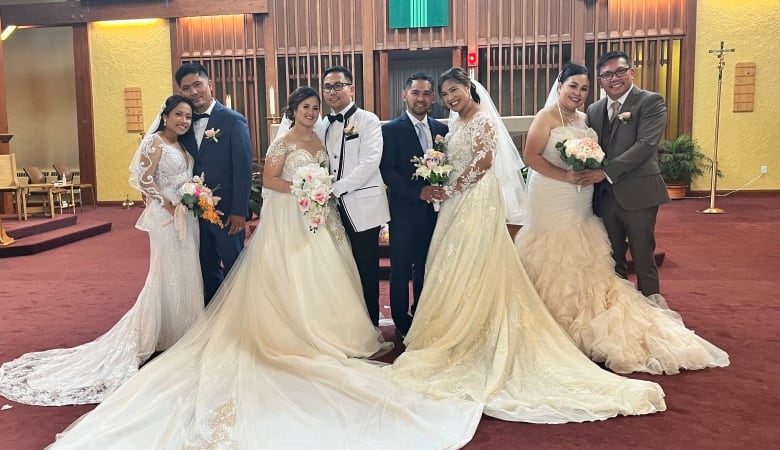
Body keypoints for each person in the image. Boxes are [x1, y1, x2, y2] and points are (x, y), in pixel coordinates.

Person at [44, 87, 483, 449]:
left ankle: (332, 330)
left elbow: (339, 171)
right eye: (305, 107)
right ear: (293, 110)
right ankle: (296, 330)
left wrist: (318, 188)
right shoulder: (285, 141)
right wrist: (305, 185)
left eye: (315, 107)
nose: (311, 112)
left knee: (330, 273)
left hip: (320, 216)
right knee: (290, 273)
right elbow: (269, 180)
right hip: (292, 215)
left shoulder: (324, 137)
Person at [388, 67, 667, 423]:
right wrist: (442, 180)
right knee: (450, 260)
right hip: (455, 202)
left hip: (476, 199)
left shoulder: (483, 119)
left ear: (469, 88)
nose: (450, 97)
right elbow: (454, 160)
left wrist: (453, 186)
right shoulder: (452, 125)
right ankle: (448, 322)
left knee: (476, 257)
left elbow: (485, 162)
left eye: (454, 89)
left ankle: (476, 324)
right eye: (445, 94)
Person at [515, 63, 730, 375]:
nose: (578, 93)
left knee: (617, 252)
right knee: (551, 251)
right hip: (550, 195)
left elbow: (641, 146)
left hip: (587, 196)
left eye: (584, 88)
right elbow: (530, 156)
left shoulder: (590, 116)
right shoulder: (546, 116)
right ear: (559, 86)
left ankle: (635, 305)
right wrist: (567, 175)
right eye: (572, 86)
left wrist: (588, 171)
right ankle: (552, 317)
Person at [0, 95, 203, 406]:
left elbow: (183, 178)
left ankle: (182, 330)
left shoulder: (182, 146)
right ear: (165, 115)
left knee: (186, 271)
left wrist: (189, 197)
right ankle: (158, 333)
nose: (184, 121)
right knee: (166, 272)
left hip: (185, 217)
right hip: (165, 217)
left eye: (188, 117)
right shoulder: (155, 142)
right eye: (179, 114)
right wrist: (167, 200)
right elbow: (143, 179)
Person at [578, 51, 669, 296]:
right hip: (605, 197)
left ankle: (652, 309)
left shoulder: (650, 102)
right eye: (607, 75)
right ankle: (622, 310)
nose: (614, 78)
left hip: (639, 194)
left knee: (642, 256)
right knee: (611, 255)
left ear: (632, 72)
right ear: (600, 80)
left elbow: (645, 145)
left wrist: (604, 172)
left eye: (620, 71)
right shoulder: (595, 110)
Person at [175, 62, 253, 305]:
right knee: (205, 266)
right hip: (194, 211)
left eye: (198, 84)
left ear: (210, 84)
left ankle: (242, 314)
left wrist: (239, 211)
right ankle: (214, 315)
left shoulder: (232, 120)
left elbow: (243, 168)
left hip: (226, 211)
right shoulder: (183, 125)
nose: (194, 92)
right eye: (187, 88)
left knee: (235, 265)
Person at [380, 72, 448, 339]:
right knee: (400, 266)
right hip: (404, 211)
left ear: (433, 98)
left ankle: (420, 313)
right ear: (404, 95)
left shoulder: (442, 130)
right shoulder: (391, 130)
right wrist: (417, 192)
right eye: (416, 93)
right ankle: (399, 318)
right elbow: (388, 171)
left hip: (435, 213)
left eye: (426, 94)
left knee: (426, 264)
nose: (421, 98)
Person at [320, 65, 390, 326]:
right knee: (340, 269)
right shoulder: (323, 125)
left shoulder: (368, 120)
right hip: (331, 210)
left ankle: (370, 326)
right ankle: (348, 326)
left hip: (363, 208)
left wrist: (336, 188)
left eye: (338, 85)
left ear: (352, 88)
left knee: (366, 269)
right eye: (327, 87)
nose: (332, 92)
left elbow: (370, 162)